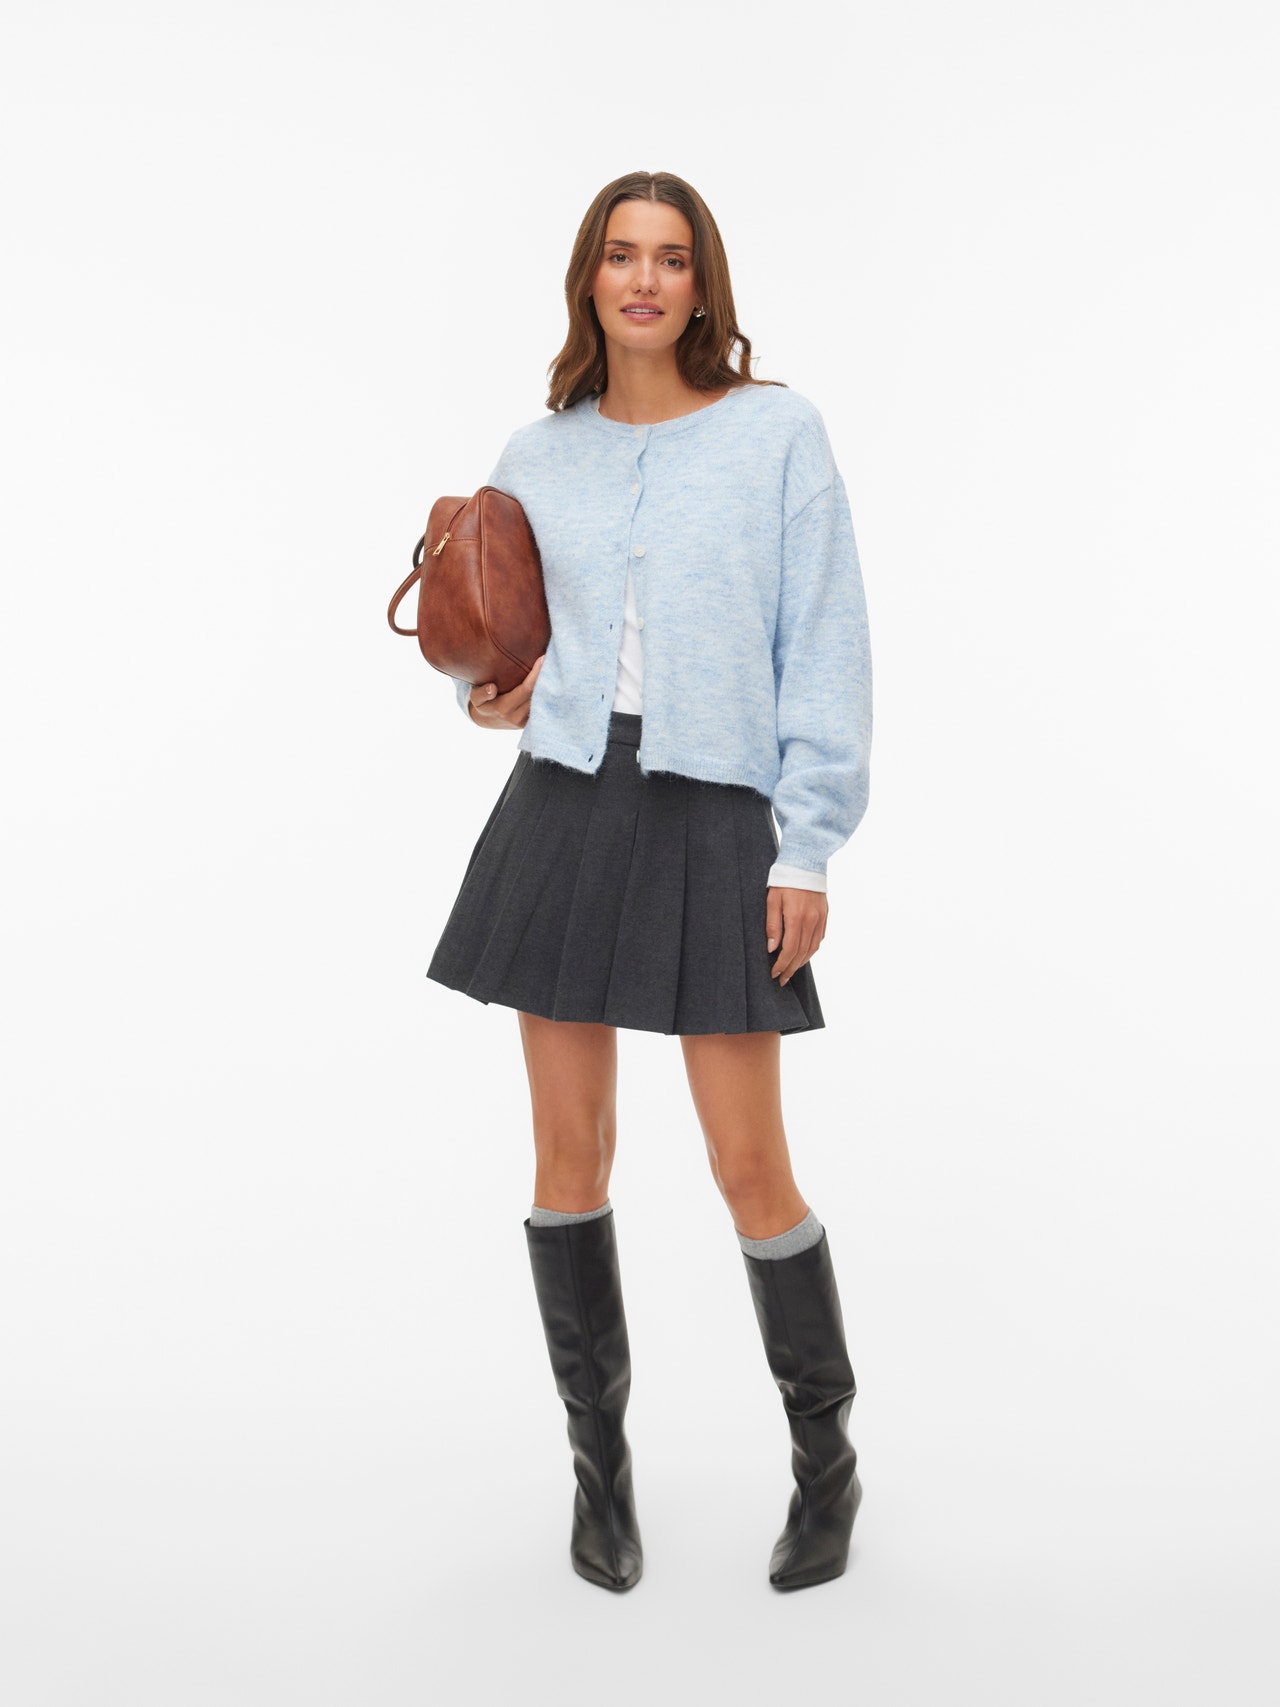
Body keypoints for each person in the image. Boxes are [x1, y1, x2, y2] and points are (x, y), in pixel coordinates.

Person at [425, 170, 873, 1593]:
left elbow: (826, 644)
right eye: (620, 255)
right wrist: (487, 696)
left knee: (751, 1165)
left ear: (701, 286)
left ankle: (826, 1466)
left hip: (720, 812)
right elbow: (500, 636)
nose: (643, 279)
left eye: (671, 259)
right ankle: (598, 1476)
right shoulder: (536, 452)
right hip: (564, 806)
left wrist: (806, 843)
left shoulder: (778, 435)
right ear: (590, 279)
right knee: (569, 1158)